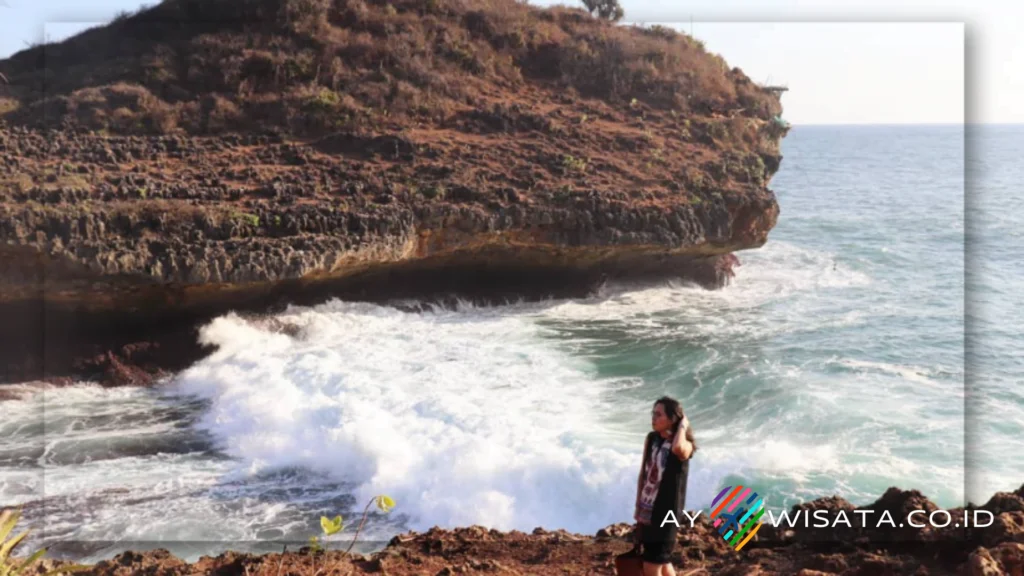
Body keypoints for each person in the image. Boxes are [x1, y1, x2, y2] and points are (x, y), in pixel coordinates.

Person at [632, 396, 696, 575]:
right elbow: (643, 474)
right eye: (653, 413)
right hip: (648, 510)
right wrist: (638, 507)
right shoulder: (652, 438)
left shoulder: (686, 446)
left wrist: (683, 425)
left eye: (659, 414)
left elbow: (677, 449)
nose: (653, 418)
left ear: (672, 419)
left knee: (652, 564)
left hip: (667, 513)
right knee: (662, 561)